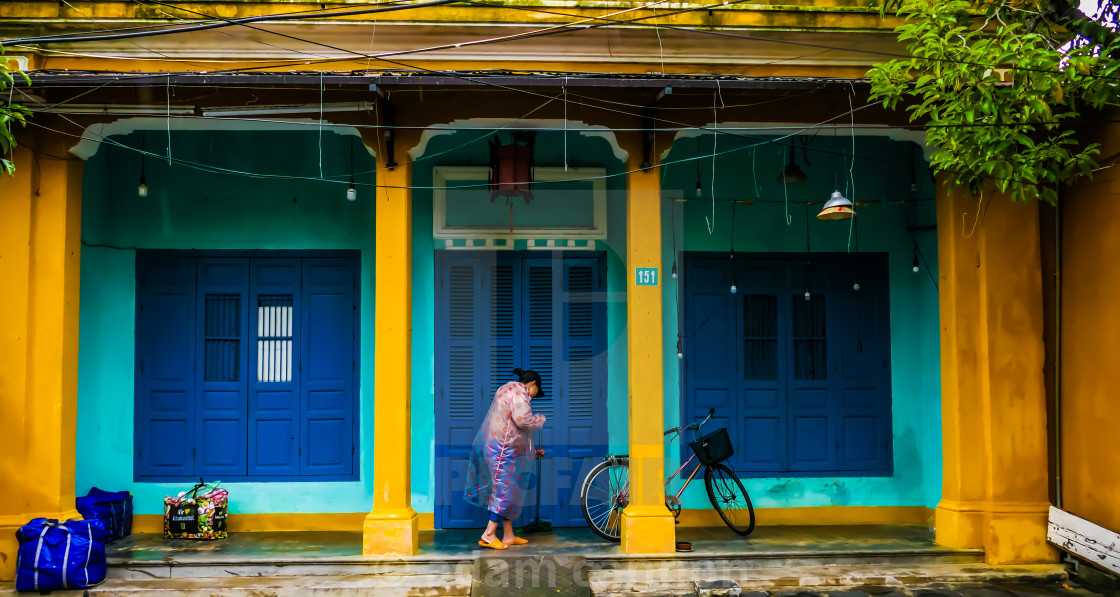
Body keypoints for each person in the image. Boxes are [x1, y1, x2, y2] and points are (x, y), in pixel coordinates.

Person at [464, 368, 547, 550]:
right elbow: (522, 421)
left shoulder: (507, 389)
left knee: (509, 491)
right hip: (502, 450)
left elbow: (511, 429)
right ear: (533, 384)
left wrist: (532, 452)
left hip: (501, 447)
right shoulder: (520, 393)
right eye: (536, 392)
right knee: (503, 491)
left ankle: (508, 535)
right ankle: (489, 533)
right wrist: (540, 420)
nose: (533, 397)